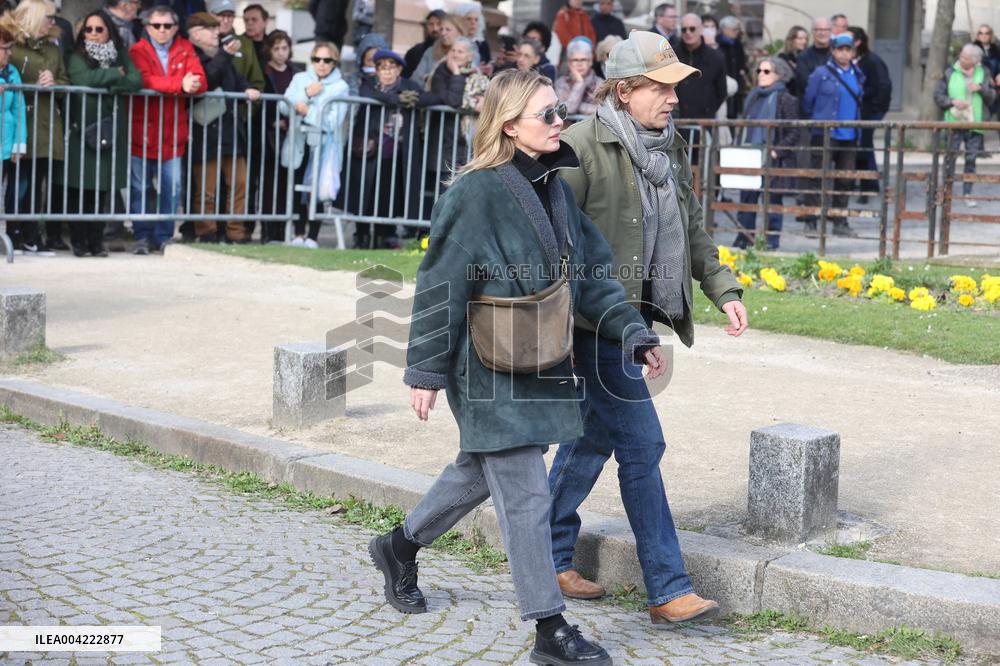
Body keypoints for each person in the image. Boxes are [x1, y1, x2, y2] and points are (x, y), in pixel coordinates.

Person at [369, 67, 668, 666]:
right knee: (527, 490)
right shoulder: (474, 194)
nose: (563, 123)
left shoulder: (555, 187)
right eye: (549, 115)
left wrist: (631, 330)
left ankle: (398, 547)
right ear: (509, 126)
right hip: (484, 364)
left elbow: (590, 274)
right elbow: (438, 285)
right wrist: (425, 371)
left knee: (480, 472)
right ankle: (549, 629)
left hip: (541, 355)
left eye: (561, 111)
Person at [551, 30, 747, 622]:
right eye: (660, 88)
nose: (672, 99)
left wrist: (723, 289)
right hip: (590, 321)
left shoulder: (669, 148)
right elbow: (558, 243)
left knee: (590, 437)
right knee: (643, 442)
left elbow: (690, 225)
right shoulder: (581, 145)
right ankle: (667, 587)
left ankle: (546, 547)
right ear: (626, 89)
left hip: (634, 321)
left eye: (674, 88)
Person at [63, 10, 142, 257]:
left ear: (109, 30)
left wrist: (113, 83)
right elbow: (82, 78)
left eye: (99, 29)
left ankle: (96, 242)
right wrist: (113, 76)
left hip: (110, 129)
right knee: (80, 189)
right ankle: (79, 242)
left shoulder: (120, 54)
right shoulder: (76, 55)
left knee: (101, 190)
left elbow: (136, 79)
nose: (94, 34)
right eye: (89, 29)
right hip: (82, 129)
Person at [128, 4, 205, 255]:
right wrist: (180, 84)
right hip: (143, 131)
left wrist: (191, 84)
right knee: (141, 188)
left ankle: (163, 237)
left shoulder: (185, 47)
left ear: (176, 27)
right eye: (156, 25)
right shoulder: (137, 50)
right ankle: (142, 235)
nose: (162, 30)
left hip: (173, 134)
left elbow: (200, 80)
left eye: (167, 26)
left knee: (172, 189)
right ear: (147, 27)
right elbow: (144, 79)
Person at [347, 49, 435, 247]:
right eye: (382, 67)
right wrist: (396, 99)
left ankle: (382, 236)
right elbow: (367, 94)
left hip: (394, 155)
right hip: (368, 151)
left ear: (399, 70)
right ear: (376, 70)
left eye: (391, 67)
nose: (386, 72)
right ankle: (361, 237)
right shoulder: (368, 84)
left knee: (386, 197)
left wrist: (415, 100)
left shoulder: (409, 86)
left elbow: (432, 98)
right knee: (364, 195)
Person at [1, 0, 70, 253]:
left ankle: (31, 234)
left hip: (44, 125)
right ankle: (14, 234)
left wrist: (55, 81)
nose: (53, 22)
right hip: (16, 126)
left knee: (35, 183)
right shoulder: (12, 46)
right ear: (33, 17)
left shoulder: (52, 49)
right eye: (48, 17)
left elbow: (65, 81)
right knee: (16, 184)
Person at [186, 12, 261, 243]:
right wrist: (224, 56)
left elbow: (239, 82)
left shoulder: (224, 58)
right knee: (206, 189)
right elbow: (207, 80)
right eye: (211, 29)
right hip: (206, 132)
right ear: (196, 35)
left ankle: (235, 232)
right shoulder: (192, 56)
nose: (217, 32)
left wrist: (249, 89)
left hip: (231, 132)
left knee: (239, 184)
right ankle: (206, 232)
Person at [281, 42, 348, 247]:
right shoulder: (300, 79)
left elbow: (333, 121)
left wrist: (307, 111)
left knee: (317, 192)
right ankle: (298, 234)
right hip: (299, 142)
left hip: (324, 146)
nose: (321, 64)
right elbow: (283, 105)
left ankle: (312, 236)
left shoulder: (341, 87)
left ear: (334, 62)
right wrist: (306, 94)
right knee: (297, 188)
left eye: (327, 60)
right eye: (317, 59)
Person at [802, 33, 864, 236]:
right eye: (841, 49)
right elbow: (808, 101)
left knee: (845, 179)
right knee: (817, 178)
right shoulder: (821, 73)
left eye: (848, 50)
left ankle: (840, 221)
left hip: (849, 135)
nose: (844, 53)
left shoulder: (857, 73)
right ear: (833, 51)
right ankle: (811, 221)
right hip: (825, 133)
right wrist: (817, 123)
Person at [734, 57, 799, 250]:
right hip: (751, 155)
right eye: (759, 71)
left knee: (772, 201)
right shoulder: (753, 97)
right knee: (746, 197)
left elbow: (794, 131)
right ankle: (744, 237)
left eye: (767, 71)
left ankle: (771, 240)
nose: (761, 75)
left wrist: (777, 151)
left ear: (779, 75)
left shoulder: (786, 99)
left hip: (773, 159)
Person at [935, 44, 997, 208]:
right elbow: (938, 95)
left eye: (966, 58)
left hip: (975, 123)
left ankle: (967, 193)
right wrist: (952, 101)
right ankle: (946, 192)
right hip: (954, 123)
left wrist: (981, 89)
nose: (961, 59)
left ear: (975, 61)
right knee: (950, 158)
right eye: (961, 56)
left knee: (971, 159)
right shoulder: (950, 72)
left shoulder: (983, 73)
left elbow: (992, 97)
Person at [259, 30, 302, 244]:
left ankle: (284, 230)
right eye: (276, 48)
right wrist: (272, 121)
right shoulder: (265, 71)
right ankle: (268, 231)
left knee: (288, 184)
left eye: (284, 48)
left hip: (292, 135)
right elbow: (263, 104)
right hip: (270, 136)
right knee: (269, 184)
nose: (280, 53)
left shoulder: (296, 72)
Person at [850, 25, 891, 202]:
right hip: (858, 110)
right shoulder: (853, 61)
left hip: (869, 110)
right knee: (863, 146)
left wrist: (875, 108)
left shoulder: (872, 61)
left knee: (864, 146)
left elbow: (883, 86)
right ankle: (868, 183)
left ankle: (868, 186)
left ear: (858, 42)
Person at [0, 27, 28, 253]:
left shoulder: (12, 73)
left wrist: (19, 146)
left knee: (7, 193)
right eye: (4, 49)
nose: (8, 53)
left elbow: (19, 113)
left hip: (5, 145)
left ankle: (8, 237)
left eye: (9, 49)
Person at [674, 15, 727, 125]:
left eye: (692, 29)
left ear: (701, 29)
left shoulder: (716, 57)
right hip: (676, 121)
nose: (688, 32)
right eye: (684, 29)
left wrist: (708, 111)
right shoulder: (672, 55)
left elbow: (721, 91)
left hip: (703, 121)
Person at [410, 13, 463, 88]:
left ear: (459, 32)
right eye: (441, 29)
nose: (443, 33)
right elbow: (416, 79)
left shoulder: (469, 53)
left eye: (448, 30)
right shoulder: (431, 51)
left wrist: (428, 78)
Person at [555, 37, 602, 116]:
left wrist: (578, 106)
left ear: (590, 62)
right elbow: (567, 110)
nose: (579, 64)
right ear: (569, 63)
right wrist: (580, 83)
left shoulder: (601, 84)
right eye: (575, 60)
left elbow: (604, 112)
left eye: (583, 59)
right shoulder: (561, 83)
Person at [794, 17, 832, 111]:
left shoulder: (836, 56)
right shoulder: (803, 56)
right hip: (811, 109)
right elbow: (805, 83)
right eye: (818, 29)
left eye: (825, 30)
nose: (822, 33)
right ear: (813, 32)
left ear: (831, 32)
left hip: (833, 108)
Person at [717, 16, 747, 118]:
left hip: (737, 87)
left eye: (737, 29)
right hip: (723, 86)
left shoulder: (737, 45)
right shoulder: (718, 45)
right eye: (734, 30)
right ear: (725, 30)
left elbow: (742, 63)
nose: (736, 32)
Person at [403, 9, 444, 79]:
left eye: (439, 24)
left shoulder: (453, 51)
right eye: (431, 24)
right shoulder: (414, 52)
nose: (435, 29)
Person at [457, 3, 490, 70]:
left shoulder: (482, 43)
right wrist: (475, 69)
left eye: (476, 19)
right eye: (469, 19)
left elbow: (487, 63)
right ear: (460, 21)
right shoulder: (455, 42)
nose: (473, 22)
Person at [777, 25, 808, 95]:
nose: (804, 41)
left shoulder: (808, 57)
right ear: (791, 39)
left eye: (806, 39)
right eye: (800, 39)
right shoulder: (784, 57)